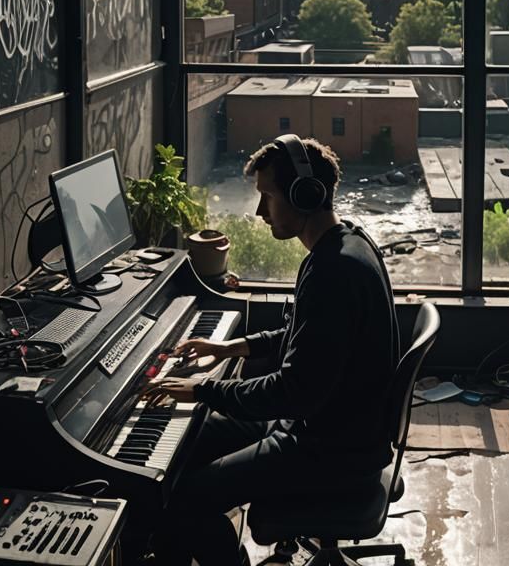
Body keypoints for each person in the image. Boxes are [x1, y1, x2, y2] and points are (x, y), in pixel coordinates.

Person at [145, 135, 400, 566]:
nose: (260, 212)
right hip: (325, 429)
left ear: (305, 195)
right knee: (186, 446)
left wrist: (204, 390)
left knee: (183, 499)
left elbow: (293, 390)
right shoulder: (345, 246)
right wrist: (231, 348)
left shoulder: (332, 273)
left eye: (267, 197)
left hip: (328, 452)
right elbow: (307, 337)